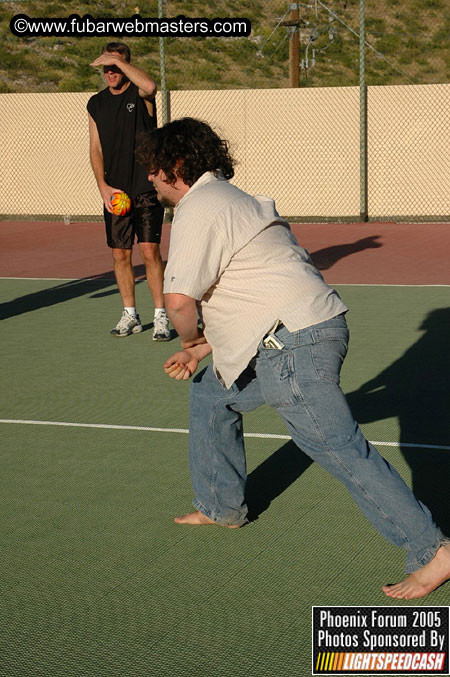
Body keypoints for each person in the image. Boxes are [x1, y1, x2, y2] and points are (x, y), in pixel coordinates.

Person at [136, 117, 450, 600]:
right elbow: (256, 286)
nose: (151, 179)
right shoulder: (233, 200)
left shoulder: (198, 208)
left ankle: (432, 552)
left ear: (176, 165)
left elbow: (178, 302)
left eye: (155, 169)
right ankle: (221, 505)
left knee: (338, 448)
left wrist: (189, 335)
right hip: (305, 327)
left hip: (290, 345)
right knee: (212, 394)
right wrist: (206, 345)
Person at [88, 41, 170, 340]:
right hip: (116, 193)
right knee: (120, 255)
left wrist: (118, 61)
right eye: (106, 67)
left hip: (145, 187)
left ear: (125, 66)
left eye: (116, 66)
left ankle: (161, 317)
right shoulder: (96, 104)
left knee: (150, 251)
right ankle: (130, 315)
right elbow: (95, 148)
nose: (110, 72)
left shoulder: (140, 94)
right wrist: (103, 187)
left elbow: (150, 84)